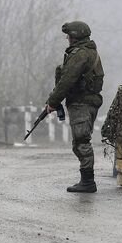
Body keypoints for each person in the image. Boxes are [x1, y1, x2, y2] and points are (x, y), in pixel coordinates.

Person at [46, 21, 104, 193]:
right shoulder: (91, 52)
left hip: (81, 103)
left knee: (81, 142)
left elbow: (66, 81)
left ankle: (88, 182)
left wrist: (52, 102)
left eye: (69, 36)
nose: (68, 40)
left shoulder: (79, 54)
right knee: (81, 140)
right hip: (88, 102)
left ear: (75, 37)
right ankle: (86, 180)